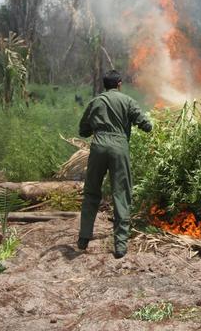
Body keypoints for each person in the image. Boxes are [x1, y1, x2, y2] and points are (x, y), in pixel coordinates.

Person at [77, 70, 153, 259]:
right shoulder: (127, 100)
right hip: (119, 147)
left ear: (105, 85)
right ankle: (120, 246)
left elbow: (83, 130)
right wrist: (145, 126)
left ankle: (84, 239)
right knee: (121, 193)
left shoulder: (95, 102)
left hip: (99, 146)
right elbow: (145, 123)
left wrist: (97, 129)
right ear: (119, 84)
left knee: (91, 192)